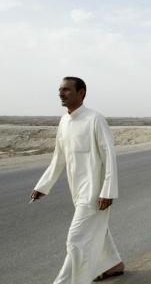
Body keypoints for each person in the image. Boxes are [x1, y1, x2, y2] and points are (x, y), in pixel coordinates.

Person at [31, 77, 125, 283]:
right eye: (59, 90)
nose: (61, 93)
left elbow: (109, 155)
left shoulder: (95, 119)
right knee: (95, 227)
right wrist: (43, 186)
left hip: (95, 190)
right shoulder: (64, 121)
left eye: (66, 89)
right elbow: (59, 157)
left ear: (81, 93)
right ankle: (114, 264)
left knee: (76, 239)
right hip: (77, 188)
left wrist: (108, 190)